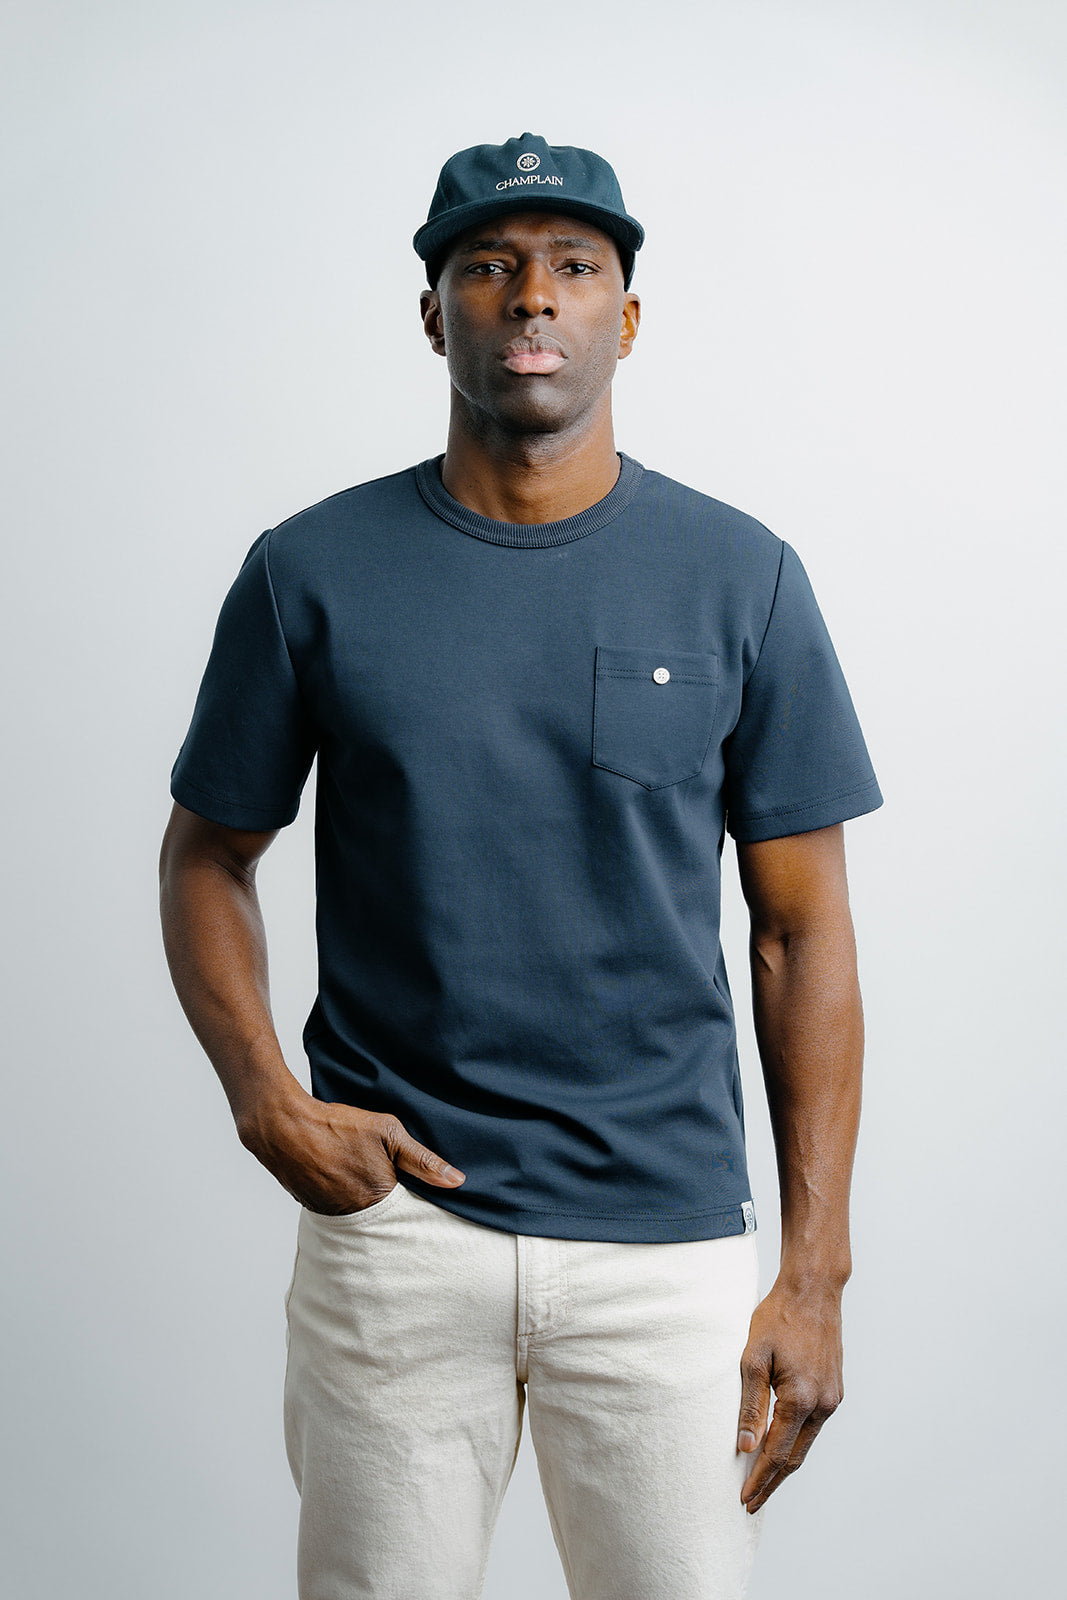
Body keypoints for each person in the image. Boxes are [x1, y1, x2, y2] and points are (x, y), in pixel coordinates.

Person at [159, 132, 882, 1600]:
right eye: (487, 267)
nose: (531, 297)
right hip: (401, 1235)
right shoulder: (311, 570)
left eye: (572, 267)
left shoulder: (742, 575)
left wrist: (815, 1274)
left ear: (628, 314)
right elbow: (206, 857)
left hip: (662, 1242)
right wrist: (264, 1101)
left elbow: (803, 937)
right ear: (435, 314)